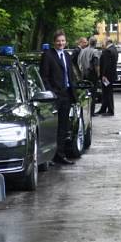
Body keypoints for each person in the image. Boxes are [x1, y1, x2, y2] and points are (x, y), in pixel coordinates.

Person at [39, 30, 76, 166]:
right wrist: (51, 93)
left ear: (66, 42)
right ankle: (50, 156)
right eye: (58, 41)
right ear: (54, 42)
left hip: (66, 95)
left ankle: (60, 155)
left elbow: (70, 74)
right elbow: (44, 77)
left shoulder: (67, 55)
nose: (61, 43)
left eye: (63, 41)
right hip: (54, 96)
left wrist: (73, 90)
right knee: (52, 127)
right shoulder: (48, 55)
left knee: (63, 127)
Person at [96, 37, 117, 116]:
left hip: (107, 76)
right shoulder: (114, 49)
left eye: (103, 41)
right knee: (106, 92)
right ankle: (103, 108)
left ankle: (110, 110)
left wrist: (104, 75)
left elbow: (106, 64)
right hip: (111, 75)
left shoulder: (108, 51)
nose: (102, 43)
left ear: (107, 42)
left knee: (107, 92)